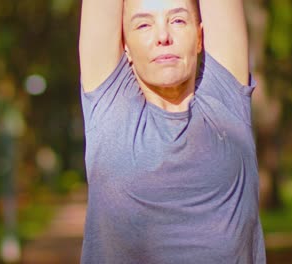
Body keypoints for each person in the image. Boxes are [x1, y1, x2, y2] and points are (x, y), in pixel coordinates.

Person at [78, 0, 266, 263]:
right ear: (126, 48)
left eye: (177, 20)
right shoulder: (111, 106)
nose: (163, 36)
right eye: (143, 25)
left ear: (200, 38)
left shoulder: (225, 100)